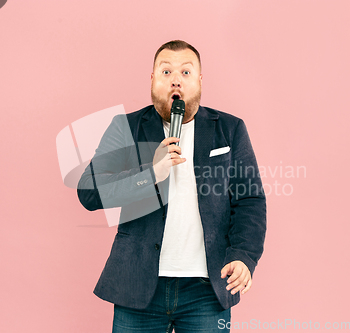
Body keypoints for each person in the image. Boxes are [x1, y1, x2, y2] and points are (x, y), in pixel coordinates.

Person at [77, 40, 267, 333]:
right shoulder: (126, 127)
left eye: (186, 72)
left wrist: (244, 255)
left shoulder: (229, 129)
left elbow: (250, 200)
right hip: (138, 287)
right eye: (166, 71)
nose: (175, 79)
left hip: (206, 289)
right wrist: (151, 173)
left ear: (200, 81)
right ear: (152, 80)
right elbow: (89, 192)